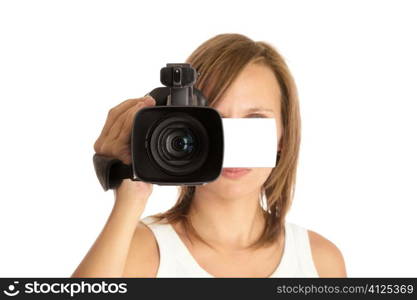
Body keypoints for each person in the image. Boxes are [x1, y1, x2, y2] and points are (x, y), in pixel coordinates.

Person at [72, 33, 347, 278]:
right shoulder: (138, 251)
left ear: (283, 138)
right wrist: (130, 191)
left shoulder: (321, 262)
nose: (230, 143)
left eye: (254, 119)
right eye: (215, 120)